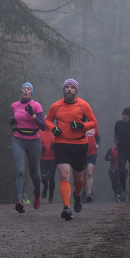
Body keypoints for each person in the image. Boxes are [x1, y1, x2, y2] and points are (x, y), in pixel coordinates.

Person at [45, 79, 98, 221]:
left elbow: (94, 122)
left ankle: (77, 196)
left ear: (76, 91)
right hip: (61, 144)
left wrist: (81, 126)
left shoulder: (83, 105)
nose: (69, 89)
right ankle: (66, 207)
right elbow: (48, 120)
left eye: (71, 87)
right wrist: (53, 128)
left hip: (80, 145)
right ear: (63, 90)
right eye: (66, 87)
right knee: (63, 175)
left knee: (78, 179)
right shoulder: (56, 106)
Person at [9, 82, 46, 213]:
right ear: (21, 91)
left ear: (31, 92)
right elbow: (17, 118)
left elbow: (43, 126)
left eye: (28, 89)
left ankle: (37, 194)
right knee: (20, 171)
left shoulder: (36, 105)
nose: (25, 90)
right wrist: (12, 120)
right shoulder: (15, 105)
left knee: (34, 174)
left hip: (34, 142)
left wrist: (33, 114)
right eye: (23, 88)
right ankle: (19, 201)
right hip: (18, 140)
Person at [39, 118, 57, 203]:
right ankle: (45, 187)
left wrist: (56, 146)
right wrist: (39, 149)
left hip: (53, 158)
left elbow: (61, 142)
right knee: (44, 177)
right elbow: (35, 142)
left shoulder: (55, 130)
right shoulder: (39, 131)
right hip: (43, 158)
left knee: (51, 177)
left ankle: (51, 197)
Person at [83, 128, 100, 202]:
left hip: (92, 153)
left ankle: (89, 193)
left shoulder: (94, 127)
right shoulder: (80, 125)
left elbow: (98, 137)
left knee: (89, 173)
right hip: (81, 153)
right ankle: (84, 191)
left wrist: (98, 144)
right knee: (83, 174)